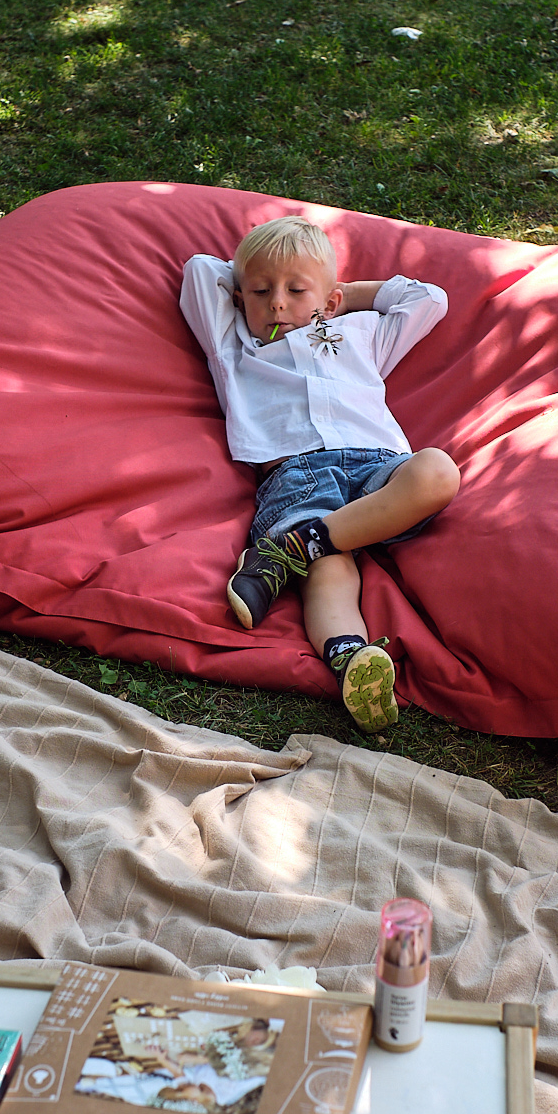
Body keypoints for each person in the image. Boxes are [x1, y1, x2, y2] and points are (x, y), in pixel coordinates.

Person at [179, 217, 459, 734]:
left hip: (379, 468)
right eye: (261, 292)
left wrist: (340, 297)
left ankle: (290, 549)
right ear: (239, 297)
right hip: (298, 473)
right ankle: (350, 658)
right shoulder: (235, 345)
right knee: (330, 569)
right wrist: (259, 286)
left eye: (295, 291)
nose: (277, 305)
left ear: (328, 301)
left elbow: (428, 299)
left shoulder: (358, 334)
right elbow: (201, 270)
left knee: (438, 470)